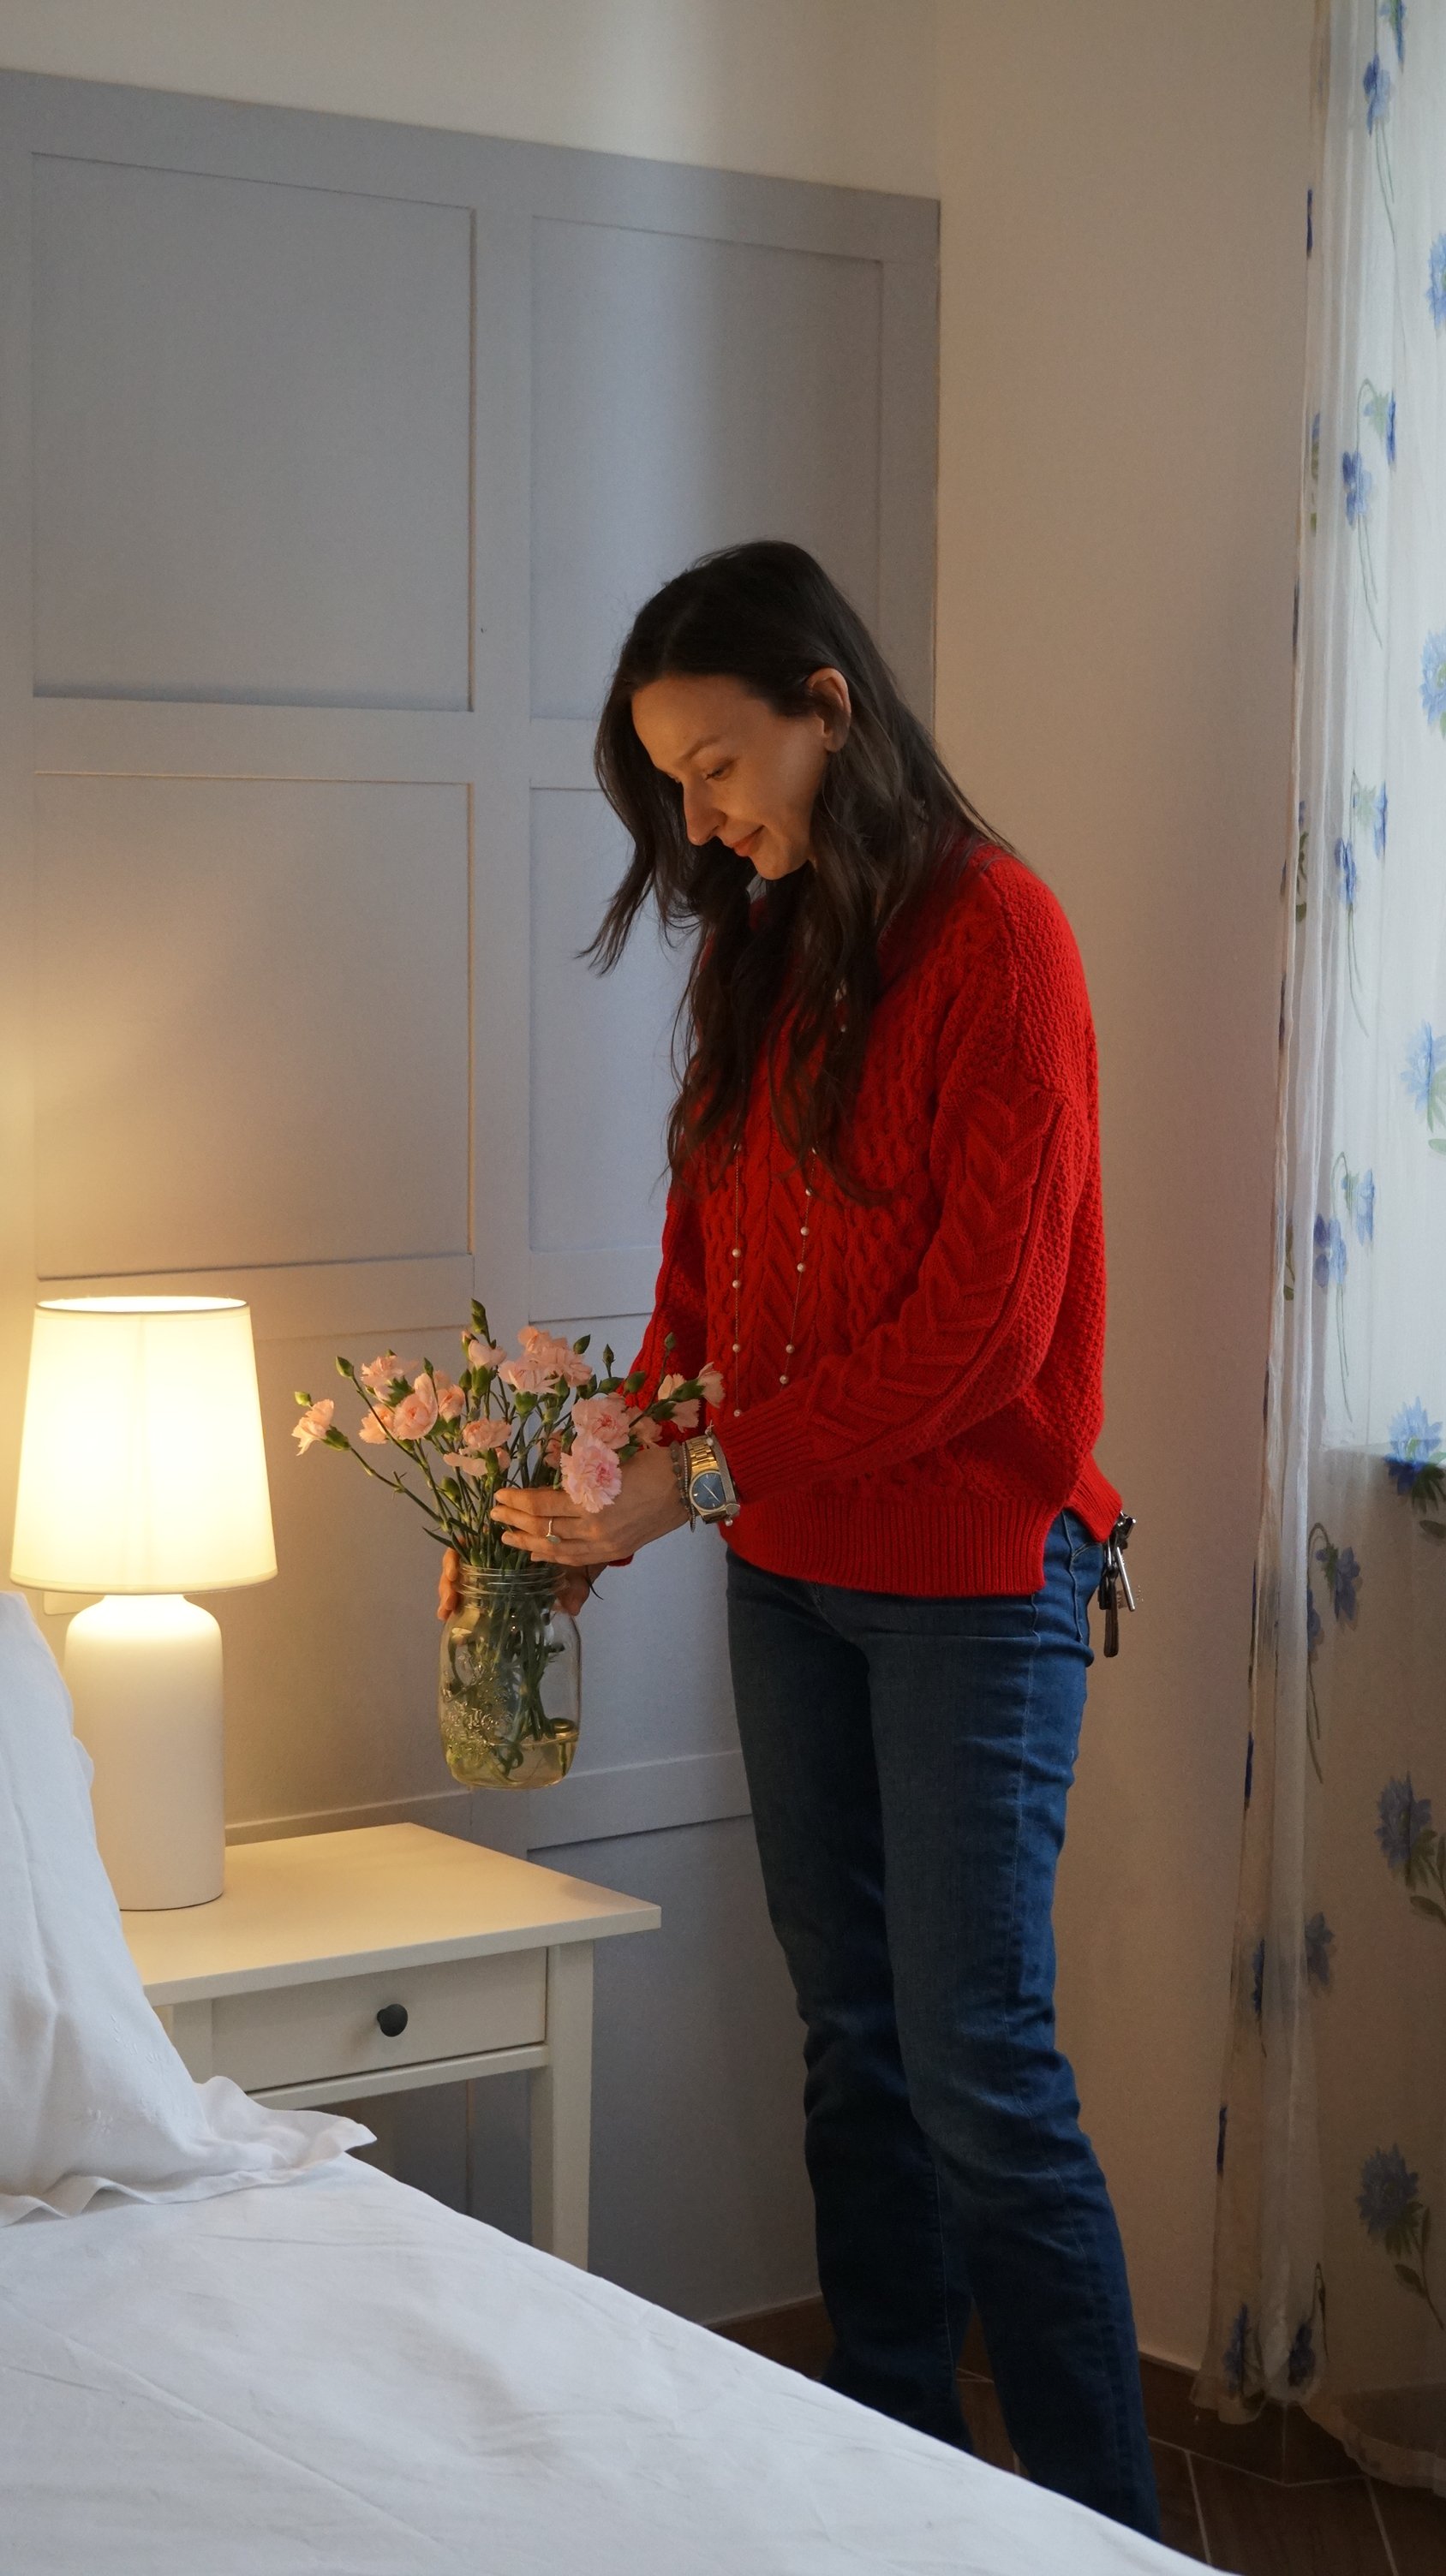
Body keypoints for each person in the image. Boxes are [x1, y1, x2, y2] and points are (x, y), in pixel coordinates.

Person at [484, 540, 1159, 2539]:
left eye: (714, 766)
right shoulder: (757, 945)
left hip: (975, 1583)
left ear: (826, 702)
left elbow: (980, 1340)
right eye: (671, 786)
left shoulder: (1002, 933)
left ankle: (1114, 2523)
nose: (698, 818)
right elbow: (711, 1269)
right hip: (794, 1577)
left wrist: (696, 1478)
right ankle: (888, 2496)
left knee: (977, 2073)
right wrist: (634, 1453)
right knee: (856, 2054)